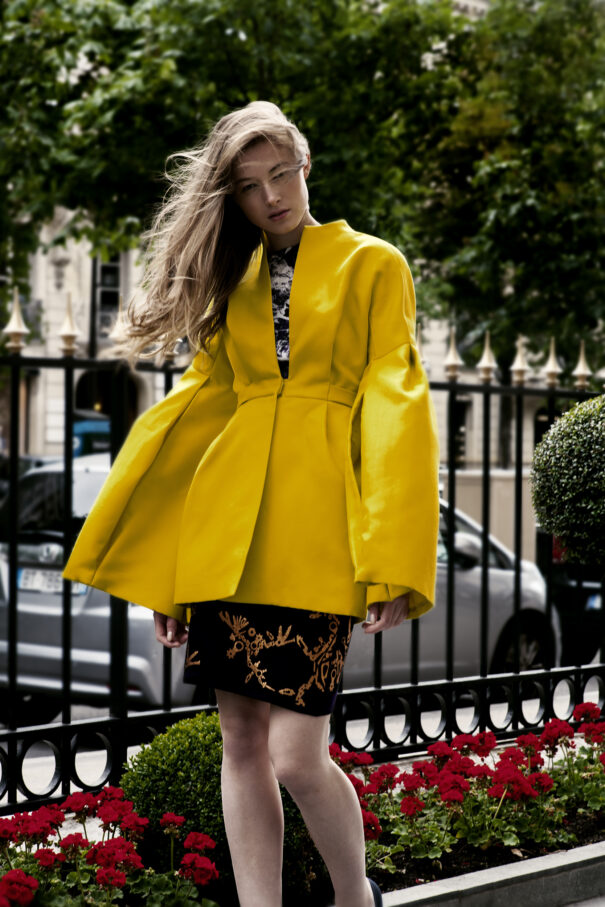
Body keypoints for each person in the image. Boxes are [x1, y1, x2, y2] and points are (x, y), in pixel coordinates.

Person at [64, 101, 439, 907]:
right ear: (230, 199)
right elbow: (197, 417)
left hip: (319, 535)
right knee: (239, 740)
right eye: (250, 185)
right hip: (226, 536)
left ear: (306, 166)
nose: (273, 195)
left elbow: (394, 400)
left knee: (298, 755)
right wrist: (170, 573)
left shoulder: (373, 263)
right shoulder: (229, 280)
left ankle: (353, 897)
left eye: (282, 173)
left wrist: (394, 555)